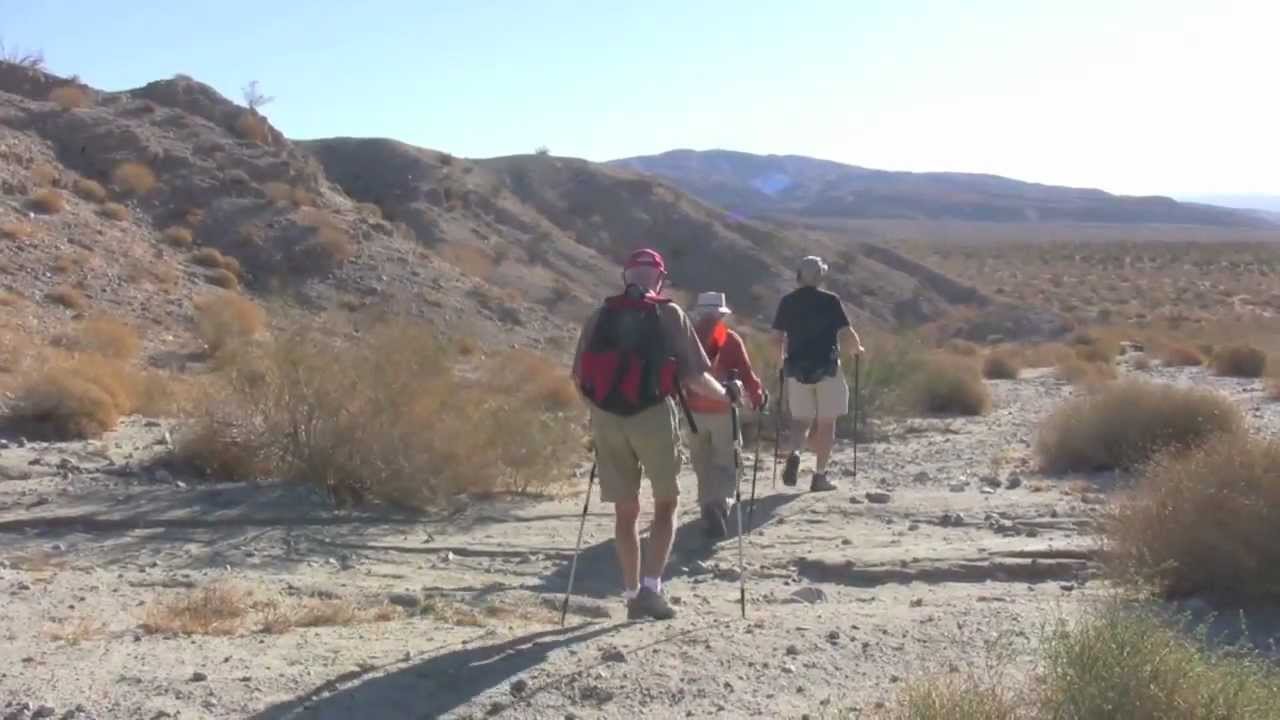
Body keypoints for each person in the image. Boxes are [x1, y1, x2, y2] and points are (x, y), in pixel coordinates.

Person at [572, 248, 736, 621]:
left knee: (625, 511)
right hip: (654, 415)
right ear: (659, 279)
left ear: (626, 276)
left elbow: (579, 378)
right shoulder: (669, 313)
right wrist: (727, 396)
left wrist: (600, 413)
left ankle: (630, 593)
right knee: (666, 503)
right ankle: (651, 589)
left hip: (607, 420)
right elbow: (695, 376)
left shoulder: (599, 315)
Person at [772, 255, 865, 492]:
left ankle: (794, 452)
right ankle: (819, 476)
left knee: (801, 420)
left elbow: (777, 338)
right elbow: (847, 332)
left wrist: (779, 364)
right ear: (821, 276)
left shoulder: (787, 302)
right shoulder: (830, 301)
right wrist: (857, 350)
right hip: (827, 369)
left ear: (799, 275)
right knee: (826, 423)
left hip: (796, 369)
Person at [683, 291, 766, 540]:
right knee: (727, 463)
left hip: (692, 412)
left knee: (702, 463)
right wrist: (757, 396)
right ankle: (720, 504)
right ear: (721, 313)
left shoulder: (685, 339)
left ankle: (707, 504)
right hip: (723, 411)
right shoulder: (730, 339)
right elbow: (746, 373)